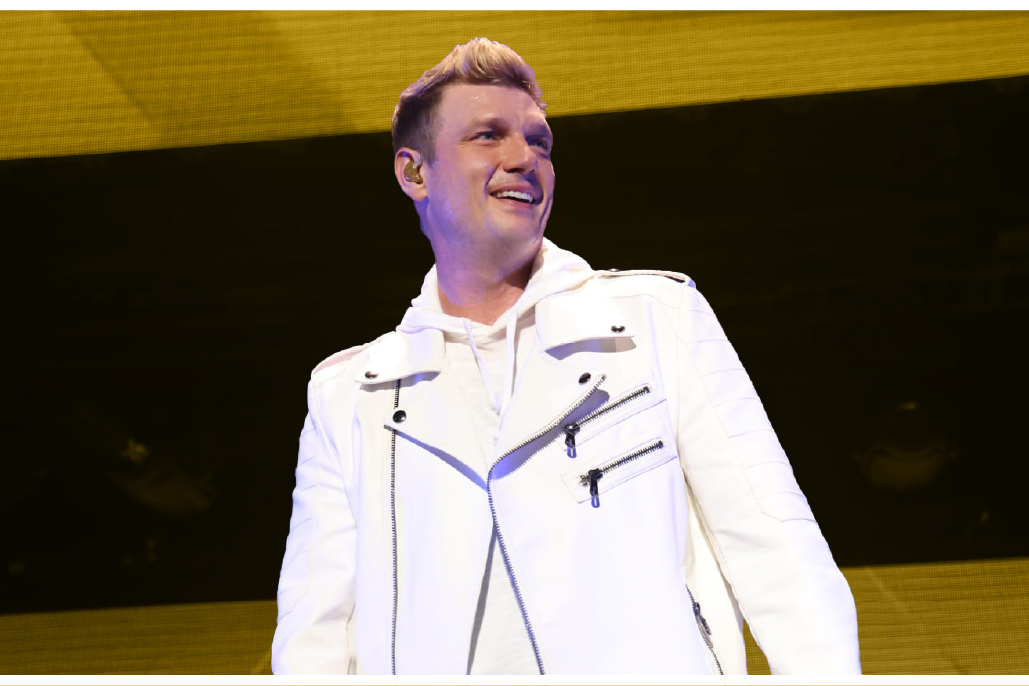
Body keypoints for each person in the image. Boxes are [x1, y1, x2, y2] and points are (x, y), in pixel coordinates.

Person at [272, 37, 860, 675]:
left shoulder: (654, 321)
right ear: (415, 173)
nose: (524, 158)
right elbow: (314, 638)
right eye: (488, 136)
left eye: (540, 142)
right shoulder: (349, 396)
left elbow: (776, 548)